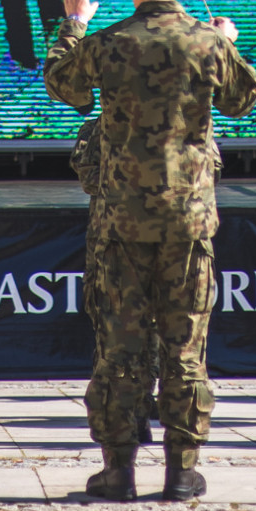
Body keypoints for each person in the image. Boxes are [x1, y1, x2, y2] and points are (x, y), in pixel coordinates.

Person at [45, 0, 256, 501]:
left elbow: (63, 85)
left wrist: (72, 23)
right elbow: (242, 100)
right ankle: (182, 471)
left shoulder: (111, 41)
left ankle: (118, 470)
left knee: (121, 350)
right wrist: (226, 43)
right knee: (185, 350)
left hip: (121, 224)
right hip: (187, 224)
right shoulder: (207, 41)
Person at [73, 115, 161, 444]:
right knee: (112, 333)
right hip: (109, 245)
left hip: (158, 242)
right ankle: (117, 412)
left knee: (152, 333)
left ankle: (142, 408)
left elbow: (212, 169)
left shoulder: (176, 123)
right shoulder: (98, 128)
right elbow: (88, 175)